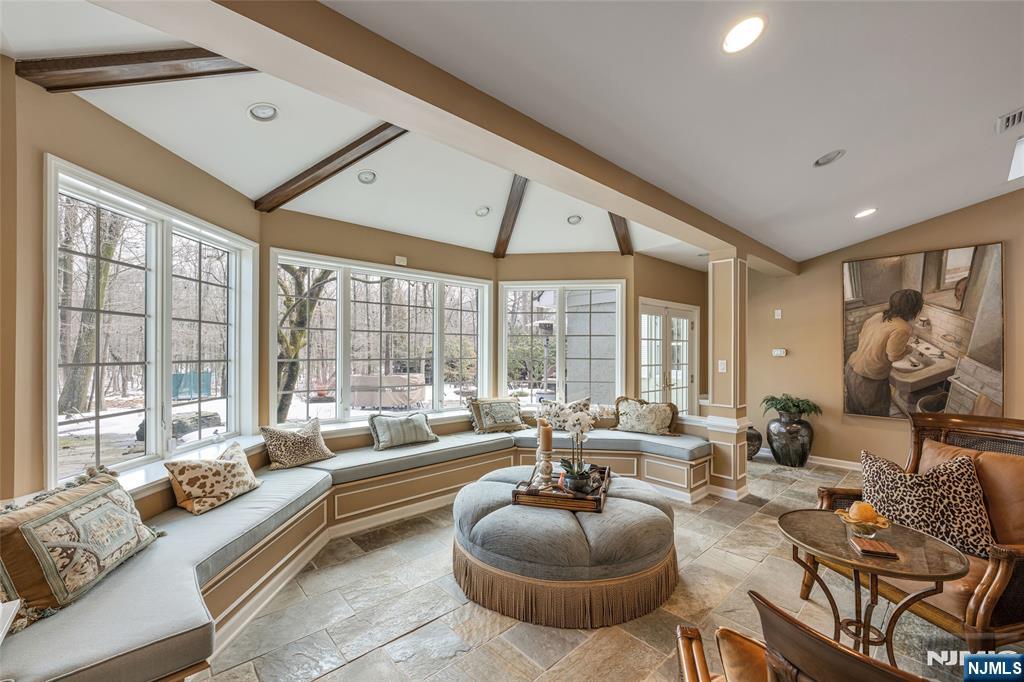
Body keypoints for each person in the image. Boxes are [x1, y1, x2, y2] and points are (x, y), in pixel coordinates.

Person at [845, 289, 924, 416]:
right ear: (914, 309)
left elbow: (861, 337)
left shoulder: (878, 316)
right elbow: (893, 356)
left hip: (851, 369)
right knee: (876, 417)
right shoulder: (903, 328)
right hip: (869, 379)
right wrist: (909, 349)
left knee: (855, 413)